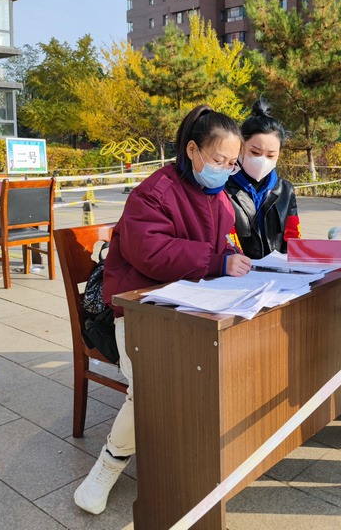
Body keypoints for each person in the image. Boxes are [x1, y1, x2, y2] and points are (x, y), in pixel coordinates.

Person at [74, 105, 252, 515]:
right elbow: (150, 253)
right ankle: (106, 467)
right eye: (219, 159)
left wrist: (230, 255)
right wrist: (216, 261)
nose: (226, 170)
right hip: (137, 307)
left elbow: (221, 242)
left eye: (232, 163)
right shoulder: (154, 192)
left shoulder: (216, 194)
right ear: (192, 150)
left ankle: (194, 447)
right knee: (153, 384)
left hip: (189, 303)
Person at [225, 99, 301, 258]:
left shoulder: (285, 190)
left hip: (277, 269)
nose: (262, 160)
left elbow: (293, 239)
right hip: (236, 268)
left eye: (271, 155)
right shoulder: (222, 188)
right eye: (255, 152)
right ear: (240, 147)